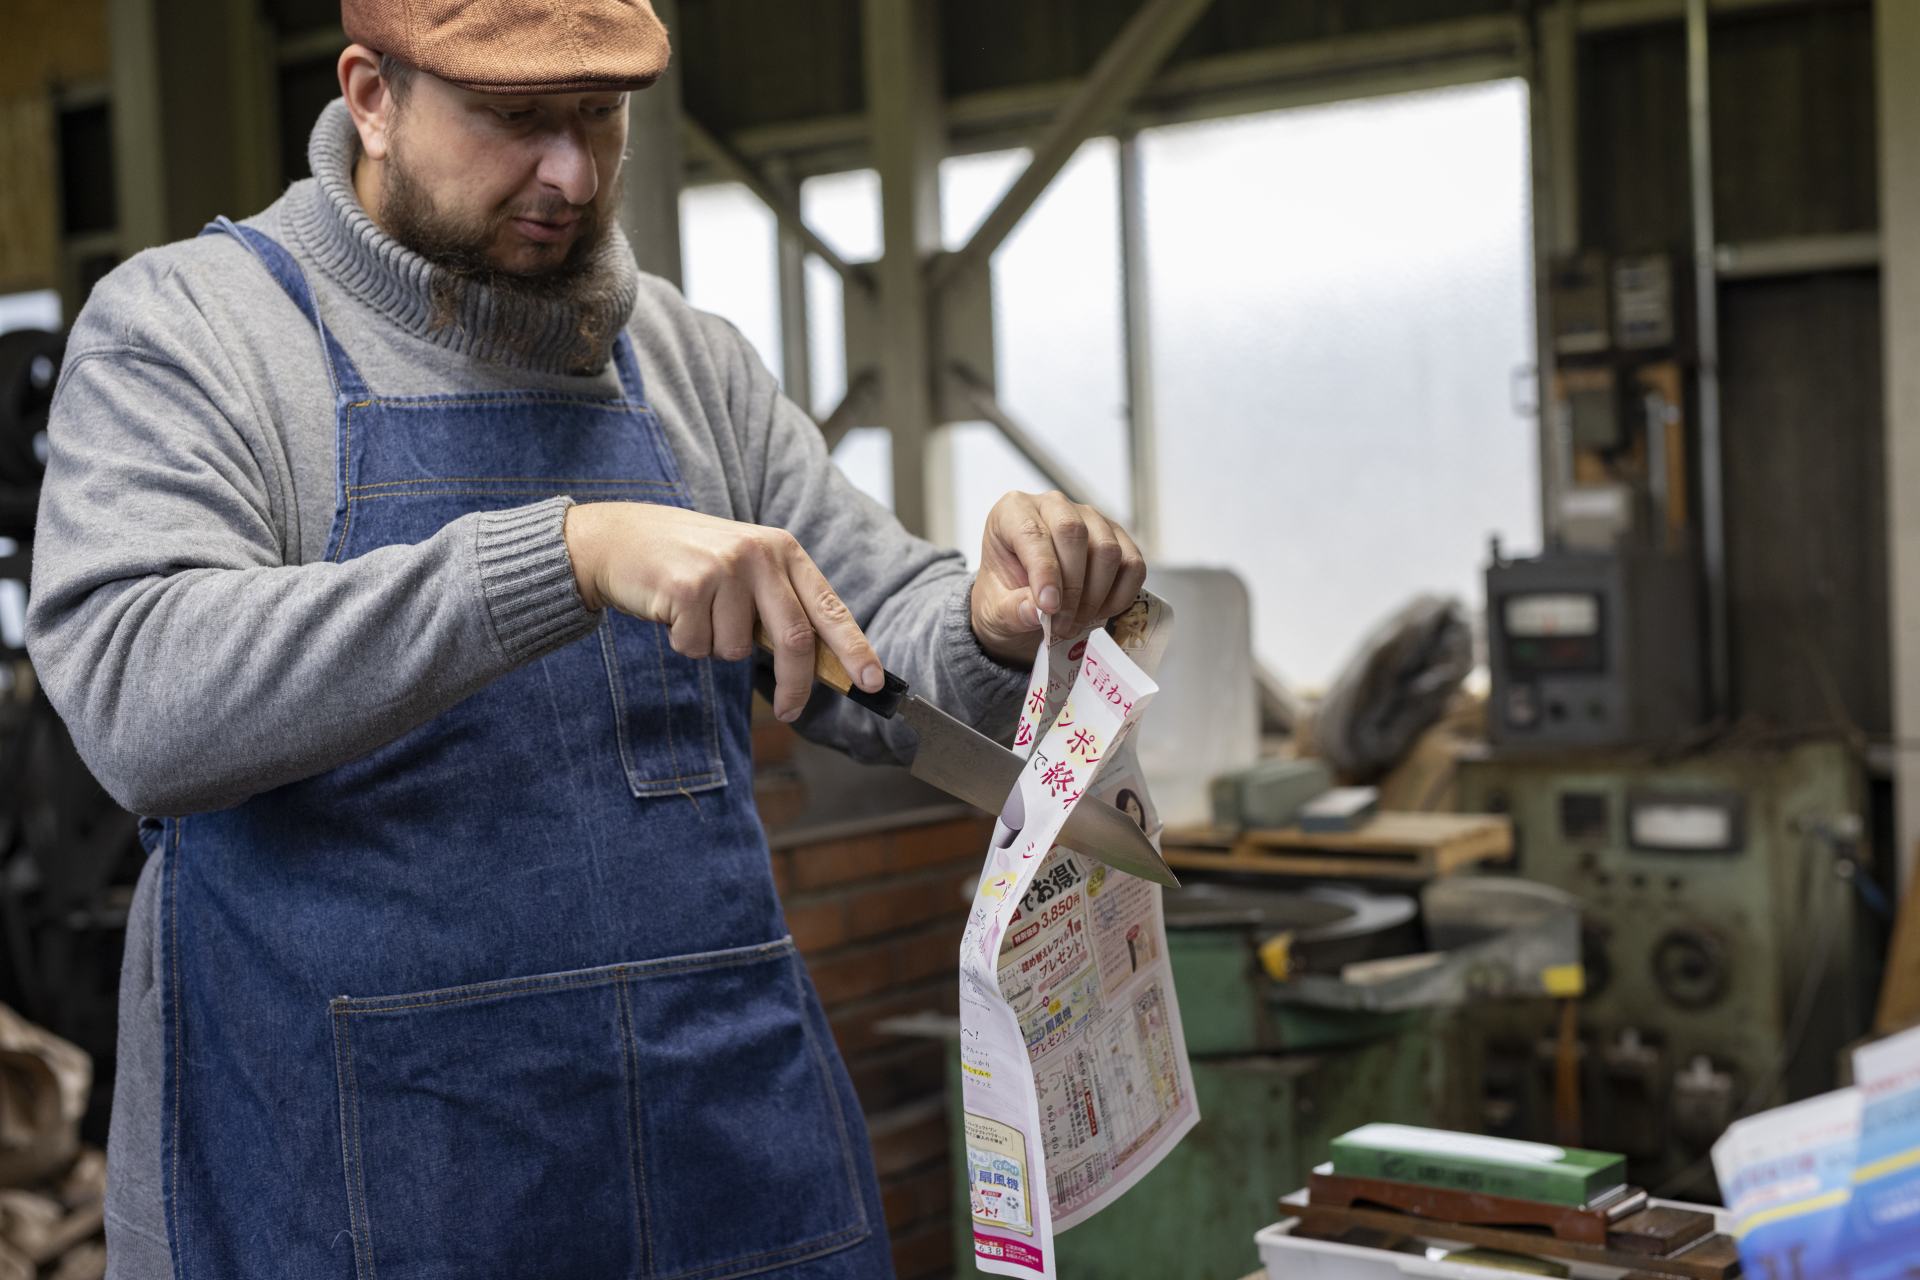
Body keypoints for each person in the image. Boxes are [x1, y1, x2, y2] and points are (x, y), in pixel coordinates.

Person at [22, 3, 1146, 1277]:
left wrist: (993, 627)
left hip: (726, 1159)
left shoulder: (685, 361)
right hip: (364, 1187)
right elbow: (140, 699)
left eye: (599, 118)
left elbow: (876, 637)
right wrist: (564, 555)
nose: (570, 173)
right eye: (514, 120)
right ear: (372, 96)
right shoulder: (196, 330)